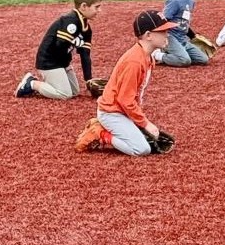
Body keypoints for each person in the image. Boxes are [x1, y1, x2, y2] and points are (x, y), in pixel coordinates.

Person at [74, 10, 177, 156]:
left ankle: (114, 128)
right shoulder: (135, 61)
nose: (167, 34)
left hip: (123, 111)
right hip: (112, 113)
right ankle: (100, 133)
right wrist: (145, 123)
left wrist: (139, 121)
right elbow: (125, 100)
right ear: (148, 35)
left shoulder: (147, 57)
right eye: (162, 31)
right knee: (142, 149)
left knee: (148, 138)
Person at [14, 0, 103, 99]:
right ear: (84, 6)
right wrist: (63, 69)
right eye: (97, 7)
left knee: (74, 92)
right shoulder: (70, 22)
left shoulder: (86, 29)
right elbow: (59, 46)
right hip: (48, 62)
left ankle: (50, 84)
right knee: (64, 94)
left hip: (62, 63)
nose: (99, 10)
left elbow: (85, 55)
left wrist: (88, 79)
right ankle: (32, 83)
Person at [154, 0, 210, 67]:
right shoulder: (174, 0)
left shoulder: (191, 0)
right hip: (170, 37)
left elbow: (184, 21)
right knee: (185, 61)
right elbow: (162, 21)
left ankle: (174, 53)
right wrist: (160, 40)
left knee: (203, 60)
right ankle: (157, 55)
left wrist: (193, 36)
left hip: (182, 38)